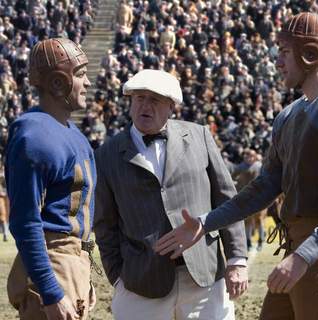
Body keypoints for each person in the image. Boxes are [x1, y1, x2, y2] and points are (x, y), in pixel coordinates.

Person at [155, 12, 318, 320]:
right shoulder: (287, 117)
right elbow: (264, 186)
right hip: (296, 247)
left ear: (309, 54)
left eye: (285, 52)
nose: (278, 62)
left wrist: (306, 255)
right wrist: (206, 222)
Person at [94, 69, 248, 320]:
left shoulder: (200, 136)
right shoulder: (106, 155)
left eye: (154, 99)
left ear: (171, 106)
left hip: (205, 276)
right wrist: (118, 278)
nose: (145, 105)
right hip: (140, 284)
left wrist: (237, 260)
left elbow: (227, 200)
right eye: (139, 98)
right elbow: (105, 224)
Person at [5, 38, 96, 320]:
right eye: (80, 74)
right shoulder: (35, 136)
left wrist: (82, 271)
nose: (88, 83)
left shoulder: (74, 134)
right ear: (58, 82)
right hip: (53, 263)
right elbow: (26, 221)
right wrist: (50, 289)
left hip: (72, 263)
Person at [232, 149, 267, 251]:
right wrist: (236, 184)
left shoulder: (260, 166)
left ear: (255, 157)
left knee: (259, 220)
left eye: (251, 156)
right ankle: (248, 242)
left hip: (259, 197)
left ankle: (261, 240)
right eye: (247, 156)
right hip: (246, 197)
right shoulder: (240, 167)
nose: (249, 158)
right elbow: (232, 177)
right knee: (247, 221)